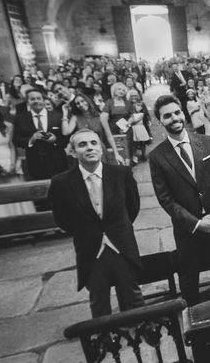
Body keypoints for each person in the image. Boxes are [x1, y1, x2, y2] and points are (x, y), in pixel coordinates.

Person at [148, 95, 210, 306]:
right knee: (189, 281)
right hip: (189, 230)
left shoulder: (204, 142)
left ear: (183, 114)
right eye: (167, 116)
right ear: (160, 122)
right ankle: (194, 330)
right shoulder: (157, 156)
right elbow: (166, 199)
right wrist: (196, 223)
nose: (174, 118)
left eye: (177, 113)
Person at [48, 129, 144, 318]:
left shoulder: (120, 174)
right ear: (73, 152)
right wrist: (89, 231)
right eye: (82, 145)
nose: (89, 148)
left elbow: (132, 207)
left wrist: (115, 229)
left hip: (121, 246)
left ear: (101, 148)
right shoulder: (62, 183)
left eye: (93, 143)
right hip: (90, 249)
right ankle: (107, 341)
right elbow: (62, 219)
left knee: (132, 296)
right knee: (99, 300)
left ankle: (141, 332)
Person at [13, 89, 68, 180]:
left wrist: (55, 139)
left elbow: (66, 137)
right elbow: (16, 140)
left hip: (58, 162)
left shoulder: (57, 116)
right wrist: (32, 139)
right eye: (33, 99)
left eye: (39, 98)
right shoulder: (20, 119)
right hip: (35, 163)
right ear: (28, 101)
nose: (36, 101)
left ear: (43, 100)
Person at [63, 93, 122, 165]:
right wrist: (65, 114)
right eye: (78, 103)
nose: (81, 104)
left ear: (88, 101)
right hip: (84, 151)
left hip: (99, 150)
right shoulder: (75, 117)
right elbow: (66, 132)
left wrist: (116, 154)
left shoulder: (100, 116)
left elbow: (109, 136)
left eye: (82, 101)